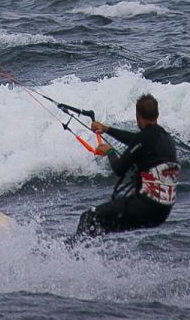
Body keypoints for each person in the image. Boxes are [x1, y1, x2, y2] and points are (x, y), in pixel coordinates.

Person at [74, 94, 180, 239]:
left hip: (146, 207)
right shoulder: (165, 138)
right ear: (157, 114)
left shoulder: (144, 138)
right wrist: (106, 129)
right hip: (162, 212)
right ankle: (85, 257)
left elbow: (119, 169)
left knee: (89, 217)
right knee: (98, 226)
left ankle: (71, 255)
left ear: (138, 116)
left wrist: (110, 151)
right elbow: (135, 140)